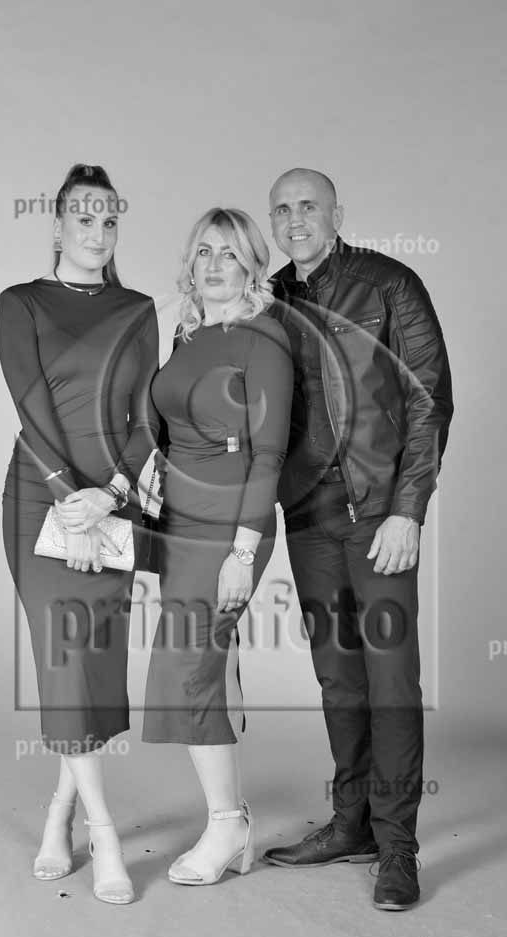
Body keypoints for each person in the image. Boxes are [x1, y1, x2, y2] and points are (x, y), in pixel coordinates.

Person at [261, 168, 454, 910]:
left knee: (390, 680)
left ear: (336, 212)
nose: (295, 219)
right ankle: (351, 824)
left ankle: (397, 846)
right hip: (307, 519)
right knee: (338, 678)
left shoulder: (389, 283)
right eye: (282, 209)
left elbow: (429, 399)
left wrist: (409, 509)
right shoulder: (271, 299)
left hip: (378, 515)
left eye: (308, 205)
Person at [0, 163, 159, 904]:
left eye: (108, 220)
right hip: (41, 500)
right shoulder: (21, 302)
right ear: (58, 224)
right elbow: (30, 410)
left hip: (112, 501)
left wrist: (112, 497)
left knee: (92, 666)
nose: (97, 232)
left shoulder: (139, 308)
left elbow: (145, 420)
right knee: (64, 663)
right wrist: (72, 501)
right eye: (83, 218)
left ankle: (59, 811)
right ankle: (106, 835)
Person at [141, 207, 293, 885]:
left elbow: (268, 454)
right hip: (179, 523)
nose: (213, 264)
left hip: (231, 526)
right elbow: (172, 425)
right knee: (197, 667)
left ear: (252, 265)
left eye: (229, 253)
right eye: (203, 251)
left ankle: (228, 824)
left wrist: (242, 553)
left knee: (193, 669)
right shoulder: (189, 332)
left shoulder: (264, 339)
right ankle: (230, 820)